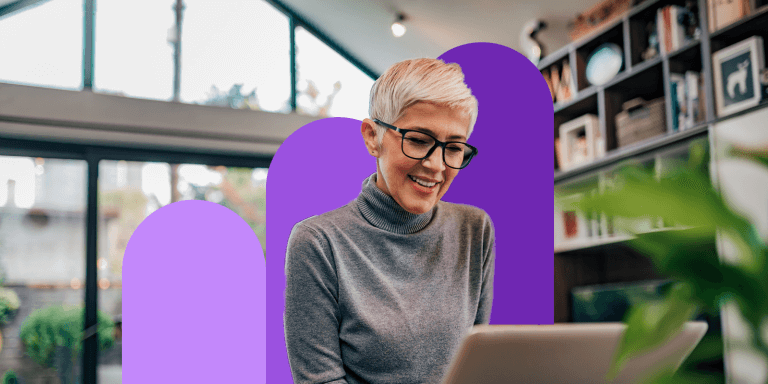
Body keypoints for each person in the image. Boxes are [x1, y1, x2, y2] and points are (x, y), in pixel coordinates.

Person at [284, 58, 496, 384]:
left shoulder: (474, 230)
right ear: (372, 137)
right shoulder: (318, 242)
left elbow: (477, 364)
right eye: (418, 140)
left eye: (453, 147)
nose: (436, 165)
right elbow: (320, 380)